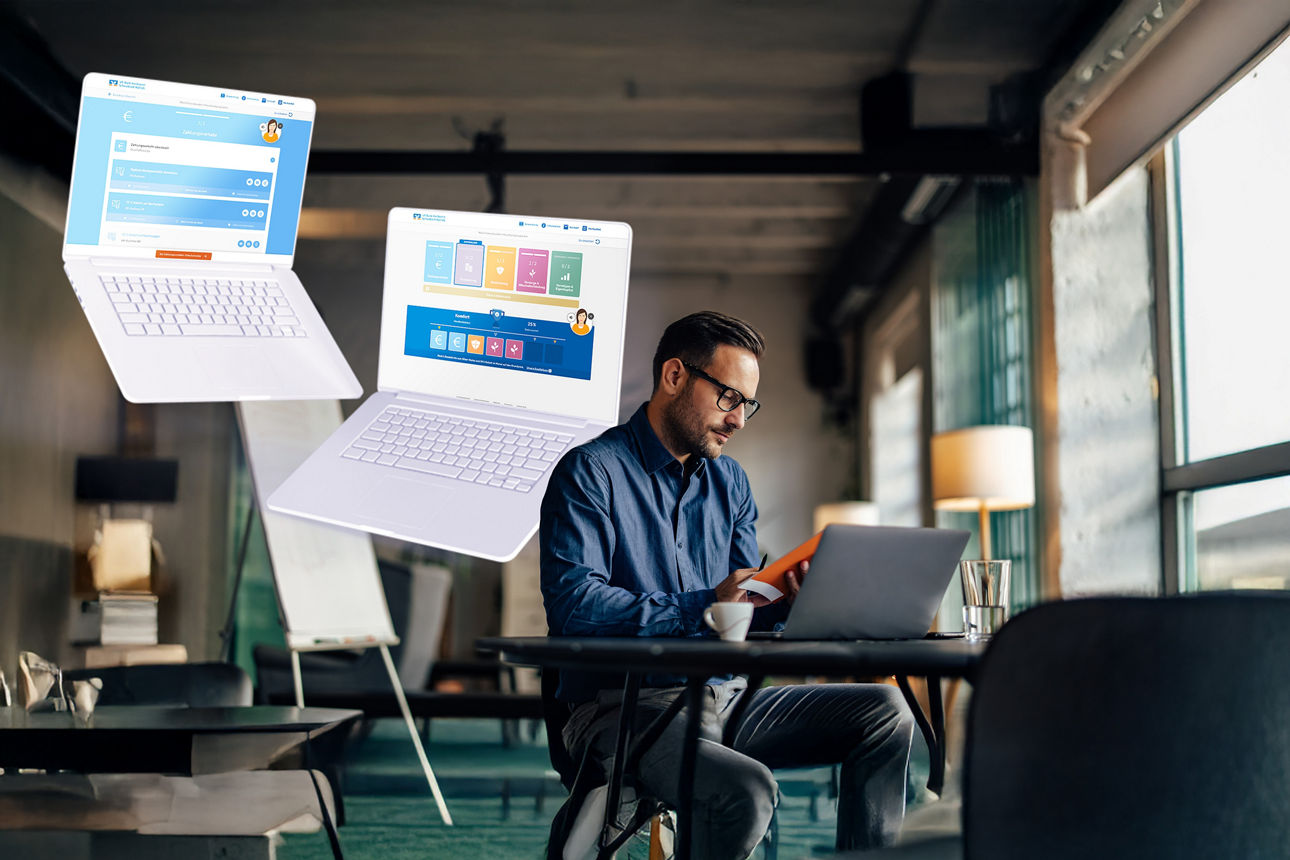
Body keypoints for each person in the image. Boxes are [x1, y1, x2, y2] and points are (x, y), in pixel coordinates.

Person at [540, 311, 916, 859]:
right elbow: (576, 607)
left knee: (885, 710)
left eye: (749, 404)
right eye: (728, 398)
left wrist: (791, 598)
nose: (739, 419)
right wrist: (706, 605)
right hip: (624, 708)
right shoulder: (590, 472)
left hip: (727, 699)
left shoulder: (730, 482)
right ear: (674, 376)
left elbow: (745, 610)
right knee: (747, 791)